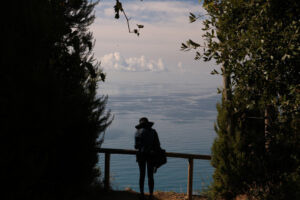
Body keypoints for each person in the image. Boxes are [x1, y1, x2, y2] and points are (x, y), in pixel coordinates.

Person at [135, 117, 161, 200]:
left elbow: (136, 146)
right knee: (150, 176)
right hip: (151, 155)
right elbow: (157, 145)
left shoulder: (137, 132)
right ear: (148, 124)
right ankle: (151, 195)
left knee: (141, 175)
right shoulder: (153, 132)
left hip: (141, 155)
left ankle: (142, 194)